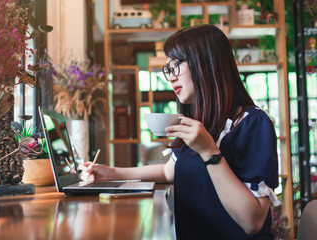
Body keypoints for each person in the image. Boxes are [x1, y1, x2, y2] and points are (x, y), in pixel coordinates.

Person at [80, 25, 279, 239]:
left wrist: (210, 152)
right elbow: (169, 171)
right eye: (168, 69)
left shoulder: (253, 123)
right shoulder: (200, 122)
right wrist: (112, 174)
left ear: (206, 62)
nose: (171, 77)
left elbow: (252, 221)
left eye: (175, 65)